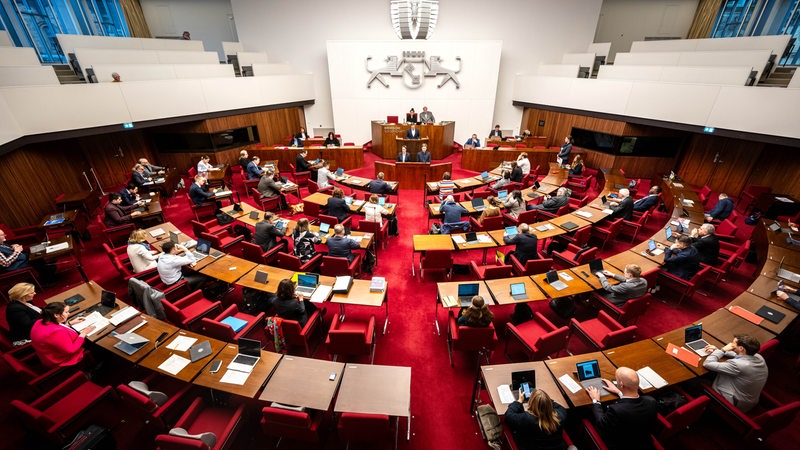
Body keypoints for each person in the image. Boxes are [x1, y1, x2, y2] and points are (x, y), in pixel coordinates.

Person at [586, 366, 658, 450]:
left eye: (616, 380)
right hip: (644, 442)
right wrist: (620, 392)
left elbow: (601, 424)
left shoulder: (617, 410)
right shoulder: (651, 401)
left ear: (621, 384)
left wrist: (596, 400)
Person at [703, 334, 768, 413]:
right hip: (748, 400)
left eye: (733, 343)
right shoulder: (758, 357)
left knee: (695, 381)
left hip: (733, 403)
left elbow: (707, 364)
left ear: (741, 348)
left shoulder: (738, 365)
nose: (731, 345)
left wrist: (722, 350)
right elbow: (738, 356)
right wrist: (718, 350)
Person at [30, 302, 93, 368]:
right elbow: (71, 350)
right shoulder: (55, 332)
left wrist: (69, 323)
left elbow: (56, 329)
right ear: (56, 315)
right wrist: (84, 333)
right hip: (60, 359)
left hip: (47, 355)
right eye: (66, 312)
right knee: (92, 345)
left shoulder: (40, 321)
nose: (69, 313)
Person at [6, 282, 41, 347]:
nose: (35, 293)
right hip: (26, 339)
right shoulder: (15, 308)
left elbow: (35, 312)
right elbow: (28, 325)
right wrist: (45, 315)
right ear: (23, 295)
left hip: (34, 331)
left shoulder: (26, 302)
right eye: (32, 292)